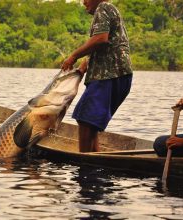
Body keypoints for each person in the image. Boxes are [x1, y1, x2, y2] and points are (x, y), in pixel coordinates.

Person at [61, 0, 133, 152]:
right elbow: (109, 44)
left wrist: (73, 56)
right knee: (91, 123)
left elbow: (101, 39)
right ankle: (94, 157)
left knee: (85, 120)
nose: (83, 2)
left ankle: (85, 162)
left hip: (108, 75)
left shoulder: (103, 7)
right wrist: (84, 67)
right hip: (117, 76)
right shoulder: (109, 10)